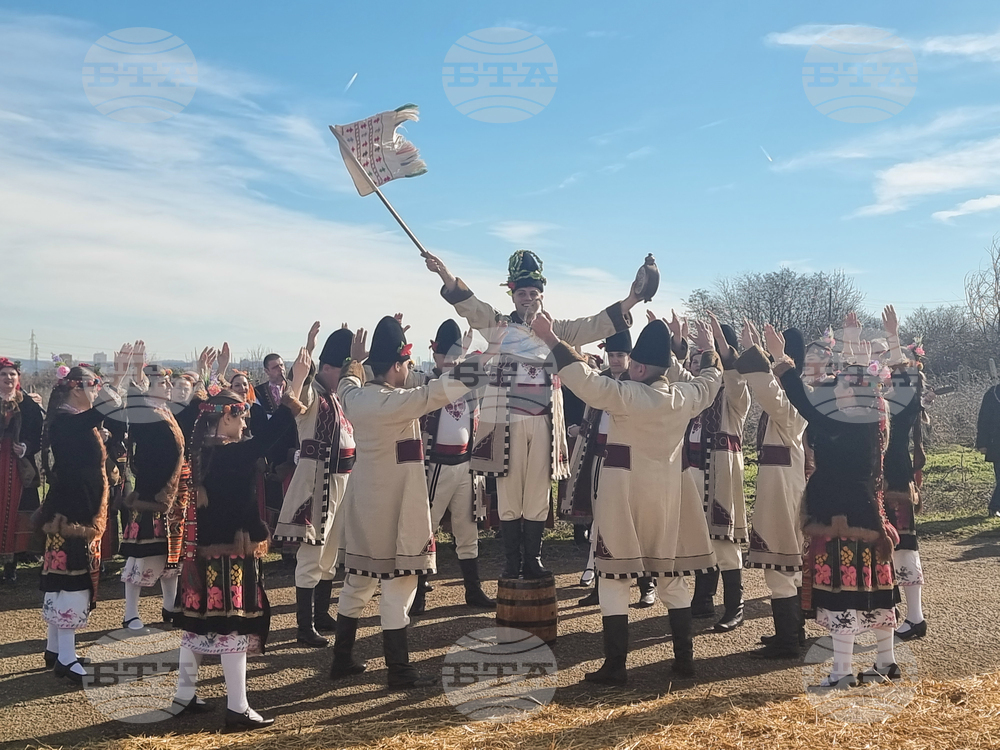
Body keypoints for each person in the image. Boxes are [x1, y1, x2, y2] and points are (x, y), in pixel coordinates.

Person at [532, 312, 723, 684]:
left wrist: (552, 338)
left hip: (623, 495)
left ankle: (615, 665)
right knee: (671, 579)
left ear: (637, 366)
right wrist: (710, 349)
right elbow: (711, 380)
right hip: (668, 496)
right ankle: (684, 660)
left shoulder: (625, 395)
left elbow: (584, 381)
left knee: (614, 576)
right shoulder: (684, 397)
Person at [425, 249, 639, 579]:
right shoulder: (498, 326)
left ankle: (534, 558)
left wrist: (631, 300)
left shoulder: (558, 330)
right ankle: (513, 561)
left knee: (539, 490)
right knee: (510, 490)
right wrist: (444, 275)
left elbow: (594, 325)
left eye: (533, 294)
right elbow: (470, 305)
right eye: (522, 294)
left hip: (543, 421)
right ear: (513, 296)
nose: (528, 300)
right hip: (507, 421)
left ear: (542, 296)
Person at [329, 315, 503, 688]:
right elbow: (445, 388)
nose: (409, 369)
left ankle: (341, 658)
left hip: (362, 505)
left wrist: (355, 361)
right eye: (406, 363)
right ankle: (399, 670)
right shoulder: (401, 402)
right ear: (395, 366)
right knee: (400, 584)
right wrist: (488, 354)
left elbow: (347, 381)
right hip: (399, 505)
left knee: (357, 584)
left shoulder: (354, 398)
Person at [170, 374, 302, 731]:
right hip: (231, 552)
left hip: (203, 552)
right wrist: (295, 389)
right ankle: (238, 707)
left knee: (197, 625)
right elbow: (272, 436)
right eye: (241, 416)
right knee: (234, 624)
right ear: (225, 418)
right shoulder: (231, 455)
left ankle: (184, 694)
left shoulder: (203, 451)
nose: (245, 423)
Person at [775, 321, 902, 689]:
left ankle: (841, 672)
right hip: (868, 514)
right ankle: (886, 663)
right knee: (876, 594)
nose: (836, 393)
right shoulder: (872, 418)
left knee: (842, 595)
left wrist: (783, 363)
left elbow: (805, 403)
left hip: (842, 516)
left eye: (844, 388)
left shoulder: (854, 420)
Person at [35, 354, 126, 681]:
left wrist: (111, 384)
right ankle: (66, 657)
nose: (97, 390)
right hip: (73, 510)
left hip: (74, 507)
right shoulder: (64, 418)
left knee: (62, 578)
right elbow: (100, 412)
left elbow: (114, 419)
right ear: (76, 389)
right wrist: (114, 381)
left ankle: (56, 648)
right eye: (93, 384)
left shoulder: (73, 417)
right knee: (71, 579)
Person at [274, 322, 359, 647]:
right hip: (317, 486)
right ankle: (303, 626)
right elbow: (297, 393)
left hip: (340, 484)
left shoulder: (338, 397)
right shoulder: (315, 394)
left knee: (330, 554)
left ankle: (321, 614)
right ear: (326, 368)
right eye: (345, 370)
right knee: (311, 556)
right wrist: (307, 351)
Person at [563, 331, 655, 608]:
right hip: (599, 457)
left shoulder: (639, 383)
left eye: (620, 355)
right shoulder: (600, 381)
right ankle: (602, 584)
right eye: (612, 355)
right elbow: (590, 414)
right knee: (599, 521)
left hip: (629, 460)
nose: (615, 360)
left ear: (629, 357)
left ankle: (646, 584)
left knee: (633, 521)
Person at [733, 323, 808, 659]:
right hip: (780, 486)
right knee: (784, 566)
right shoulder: (795, 401)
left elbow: (767, 391)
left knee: (780, 564)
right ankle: (792, 632)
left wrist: (757, 353)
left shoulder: (792, 405)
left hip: (784, 491)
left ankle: (789, 639)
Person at [412, 319, 495, 614]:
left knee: (467, 529)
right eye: (444, 356)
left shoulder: (469, 382)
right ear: (434, 355)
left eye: (455, 356)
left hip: (466, 465)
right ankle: (417, 594)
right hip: (435, 465)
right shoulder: (423, 383)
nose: (450, 361)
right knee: (425, 528)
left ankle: (473, 591)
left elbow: (490, 364)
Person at [683, 318, 750, 634]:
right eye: (698, 359)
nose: (701, 364)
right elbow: (676, 374)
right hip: (693, 470)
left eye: (707, 358)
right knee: (699, 534)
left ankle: (735, 606)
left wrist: (718, 347)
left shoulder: (734, 396)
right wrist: (676, 342)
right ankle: (704, 596)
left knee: (723, 538)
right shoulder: (697, 393)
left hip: (721, 471)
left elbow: (734, 377)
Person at [119, 361, 185, 630]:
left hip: (172, 494)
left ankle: (170, 607)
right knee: (143, 556)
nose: (169, 385)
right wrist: (136, 377)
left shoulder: (166, 411)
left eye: (169, 381)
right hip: (151, 492)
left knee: (171, 556)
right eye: (163, 382)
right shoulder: (145, 414)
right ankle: (130, 613)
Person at [879, 307, 928, 641]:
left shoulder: (906, 401)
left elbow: (900, 373)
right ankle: (896, 612)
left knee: (904, 547)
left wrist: (893, 337)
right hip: (883, 480)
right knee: (888, 547)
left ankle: (916, 617)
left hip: (896, 479)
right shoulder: (890, 401)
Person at [0, 357, 43, 583]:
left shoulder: (28, 404)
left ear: (18, 378)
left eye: (12, 374)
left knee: (17, 512)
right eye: (3, 374)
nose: (8, 378)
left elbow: (39, 435)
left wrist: (25, 446)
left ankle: (12, 564)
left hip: (19, 466)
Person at [254, 353, 298, 527]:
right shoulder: (258, 392)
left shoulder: (294, 388)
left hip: (296, 445)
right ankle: (276, 531)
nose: (280, 370)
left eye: (281, 365)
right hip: (273, 450)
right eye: (275, 367)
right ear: (266, 371)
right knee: (275, 493)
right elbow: (259, 426)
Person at [976, 374, 1000, 518]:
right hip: (996, 441)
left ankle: (995, 506)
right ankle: (994, 506)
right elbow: (983, 419)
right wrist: (982, 442)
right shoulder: (993, 394)